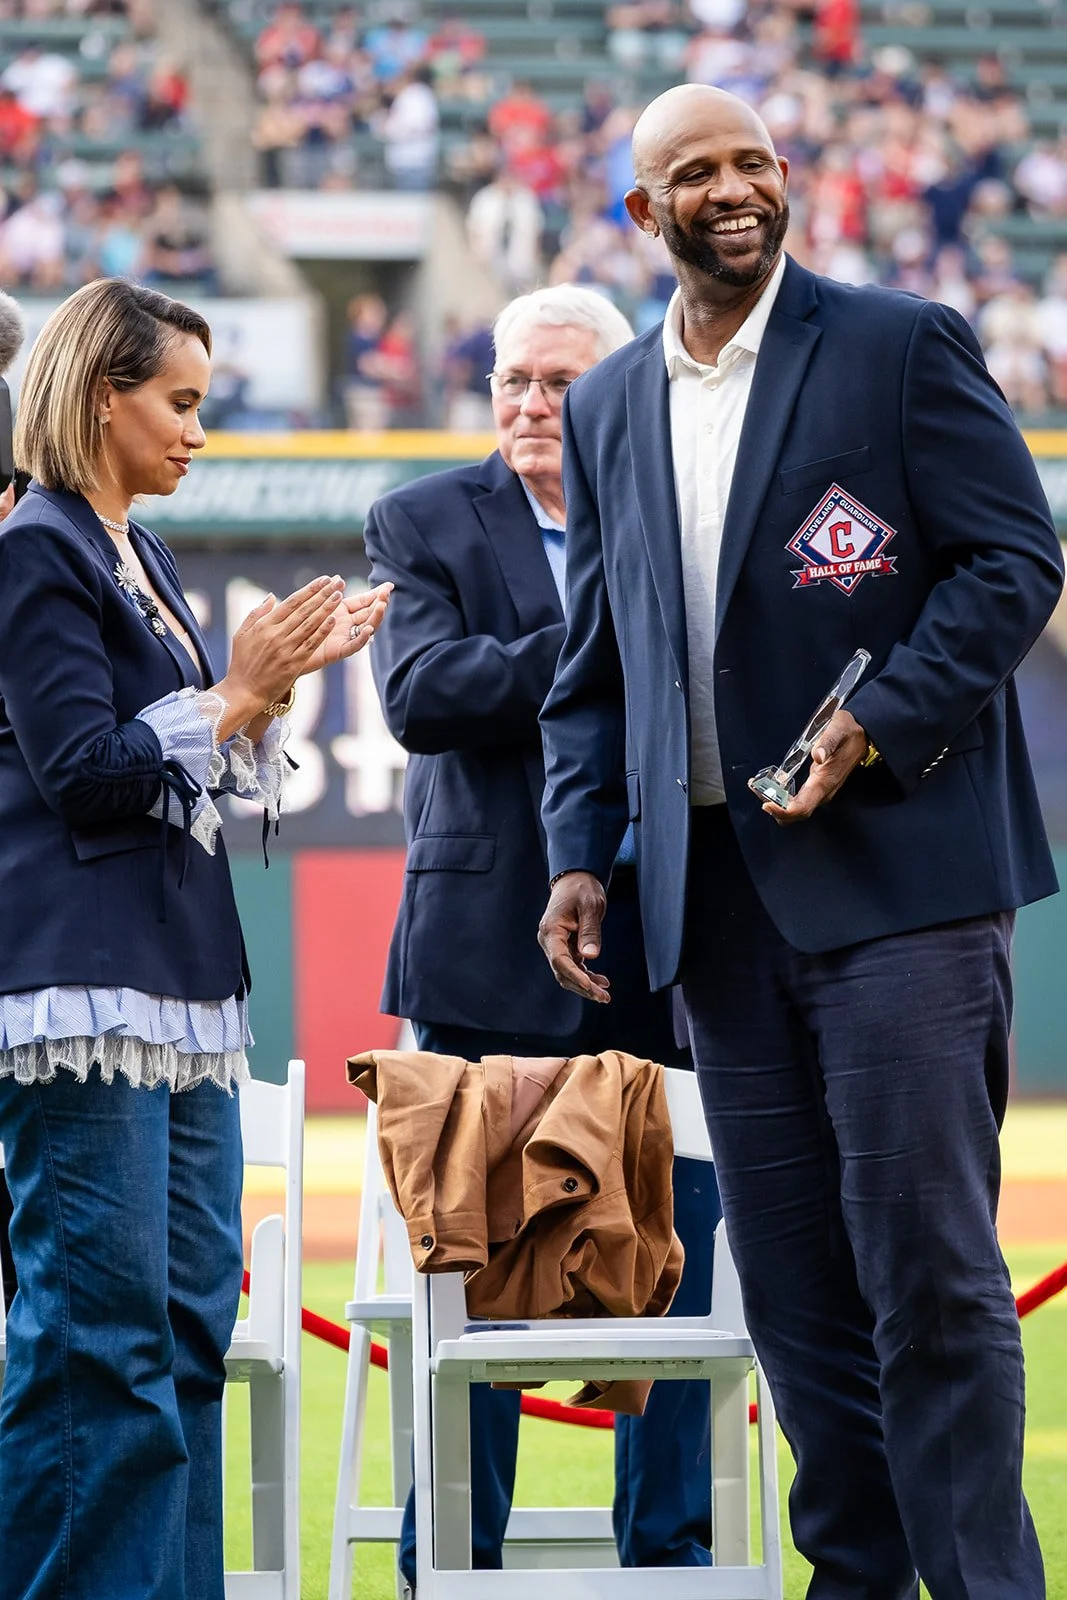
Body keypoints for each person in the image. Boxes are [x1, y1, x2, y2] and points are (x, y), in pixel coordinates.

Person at [537, 85, 1062, 1599]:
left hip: (897, 883)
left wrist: (874, 719)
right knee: (795, 1298)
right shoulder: (609, 401)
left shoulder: (900, 342)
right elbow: (596, 668)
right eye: (691, 173)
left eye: (750, 162)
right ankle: (855, 1578)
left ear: (787, 178)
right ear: (643, 214)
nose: (730, 189)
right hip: (712, 911)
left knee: (933, 1278)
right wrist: (582, 852)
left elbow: (1010, 560)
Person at [0, 277, 390, 1600]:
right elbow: (80, 768)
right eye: (177, 403)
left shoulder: (139, 551)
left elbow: (189, 771)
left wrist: (261, 698)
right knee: (95, 1342)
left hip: (177, 985)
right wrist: (237, 691)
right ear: (99, 398)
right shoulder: (34, 546)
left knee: (177, 1329)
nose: (197, 432)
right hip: (76, 991)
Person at [364, 283, 722, 1595]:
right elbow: (421, 694)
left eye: (557, 382)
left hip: (668, 959)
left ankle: (673, 1564)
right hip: (484, 960)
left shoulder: (679, 519)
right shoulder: (420, 517)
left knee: (680, 1288)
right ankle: (446, 1570)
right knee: (473, 1295)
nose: (525, 402)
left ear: (618, 395)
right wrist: (609, 639)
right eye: (511, 378)